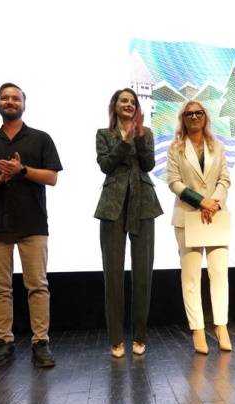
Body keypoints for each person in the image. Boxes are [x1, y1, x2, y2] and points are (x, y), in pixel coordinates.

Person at [0, 82, 63, 368]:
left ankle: (41, 343)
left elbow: (52, 178)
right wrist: (0, 178)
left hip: (33, 223)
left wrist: (22, 170)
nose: (10, 101)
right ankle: (3, 342)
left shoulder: (41, 139)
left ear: (24, 103)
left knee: (38, 286)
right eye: (4, 98)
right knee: (0, 288)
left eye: (15, 98)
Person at [94, 88, 163, 358]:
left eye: (132, 102)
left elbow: (148, 164)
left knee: (143, 273)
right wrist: (125, 141)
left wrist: (139, 135)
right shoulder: (104, 134)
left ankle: (140, 336)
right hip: (112, 205)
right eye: (124, 100)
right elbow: (106, 165)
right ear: (115, 105)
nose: (129, 104)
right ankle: (115, 338)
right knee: (113, 273)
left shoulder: (147, 133)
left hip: (143, 202)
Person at [166, 101, 232, 354]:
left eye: (199, 113)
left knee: (219, 274)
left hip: (215, 215)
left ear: (205, 117)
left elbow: (225, 179)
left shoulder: (218, 146)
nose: (194, 117)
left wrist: (213, 202)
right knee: (191, 277)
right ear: (183, 118)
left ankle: (221, 326)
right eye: (189, 114)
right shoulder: (175, 148)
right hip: (187, 217)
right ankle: (197, 329)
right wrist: (200, 201)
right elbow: (173, 182)